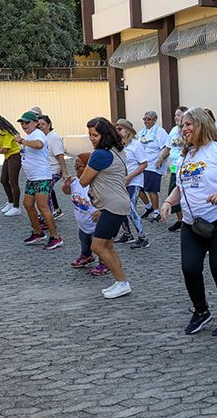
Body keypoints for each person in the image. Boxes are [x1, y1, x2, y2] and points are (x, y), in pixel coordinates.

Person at [162, 107, 217, 336]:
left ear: (202, 124)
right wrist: (169, 202)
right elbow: (181, 186)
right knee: (189, 268)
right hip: (192, 222)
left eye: (189, 124)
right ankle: (201, 312)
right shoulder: (187, 155)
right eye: (182, 125)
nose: (184, 129)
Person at [77, 117, 132, 299]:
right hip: (117, 203)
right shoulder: (116, 151)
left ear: (104, 135)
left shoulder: (100, 154)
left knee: (98, 247)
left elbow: (84, 180)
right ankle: (120, 282)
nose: (92, 138)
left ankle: (122, 282)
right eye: (90, 135)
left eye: (95, 135)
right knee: (108, 246)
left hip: (112, 205)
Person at [16, 111, 62, 249]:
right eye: (22, 123)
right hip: (32, 177)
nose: (24, 125)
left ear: (35, 123)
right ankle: (38, 232)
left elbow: (39, 145)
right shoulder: (29, 135)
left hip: (41, 176)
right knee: (28, 204)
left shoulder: (38, 134)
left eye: (27, 122)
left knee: (43, 207)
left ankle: (55, 237)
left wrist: (22, 141)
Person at [115, 118, 151, 249]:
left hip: (134, 181)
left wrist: (130, 176)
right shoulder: (119, 146)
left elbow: (144, 164)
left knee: (130, 208)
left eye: (120, 129)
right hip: (121, 181)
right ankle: (127, 234)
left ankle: (143, 237)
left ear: (128, 130)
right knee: (120, 207)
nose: (117, 132)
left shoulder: (136, 145)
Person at [62, 152, 98, 269]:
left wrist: (101, 211)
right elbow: (67, 192)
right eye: (75, 167)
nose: (76, 169)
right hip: (83, 223)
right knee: (84, 240)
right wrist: (66, 185)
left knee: (99, 246)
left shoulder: (97, 184)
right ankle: (86, 255)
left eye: (79, 167)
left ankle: (104, 262)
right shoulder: (75, 182)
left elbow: (109, 200)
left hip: (97, 224)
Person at [0, 113, 23, 216]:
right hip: (8, 157)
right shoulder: (1, 131)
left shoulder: (7, 132)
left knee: (13, 182)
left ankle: (16, 207)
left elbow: (5, 149)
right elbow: (1, 145)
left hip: (15, 156)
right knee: (3, 180)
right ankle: (11, 203)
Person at [138, 110, 170, 223]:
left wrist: (161, 158)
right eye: (144, 119)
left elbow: (167, 146)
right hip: (142, 164)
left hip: (153, 164)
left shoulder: (160, 132)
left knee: (151, 189)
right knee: (139, 189)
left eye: (149, 119)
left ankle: (156, 212)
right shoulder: (141, 132)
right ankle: (148, 206)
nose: (146, 121)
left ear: (154, 120)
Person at [36, 114, 67, 220]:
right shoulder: (41, 137)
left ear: (49, 125)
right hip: (45, 171)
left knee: (44, 192)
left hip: (54, 170)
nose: (40, 126)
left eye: (43, 124)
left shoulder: (53, 137)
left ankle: (48, 215)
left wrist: (64, 172)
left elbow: (60, 156)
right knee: (44, 192)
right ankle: (50, 212)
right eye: (38, 124)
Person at [166, 106, 188, 232]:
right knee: (172, 191)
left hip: (186, 167)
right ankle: (180, 220)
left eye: (178, 115)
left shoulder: (187, 131)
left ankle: (186, 220)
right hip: (175, 166)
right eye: (175, 115)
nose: (176, 117)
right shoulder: (174, 130)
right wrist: (160, 158)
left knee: (185, 192)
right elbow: (168, 147)